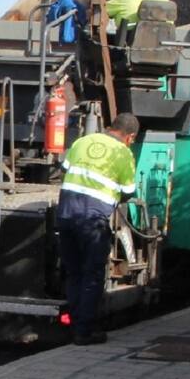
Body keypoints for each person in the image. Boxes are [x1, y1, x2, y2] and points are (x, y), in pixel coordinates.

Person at [56, 113, 139, 345]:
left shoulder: (83, 140)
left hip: (65, 215)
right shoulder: (124, 153)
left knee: (73, 273)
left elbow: (65, 168)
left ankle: (72, 325)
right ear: (130, 137)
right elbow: (129, 190)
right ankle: (84, 332)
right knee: (92, 274)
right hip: (92, 220)